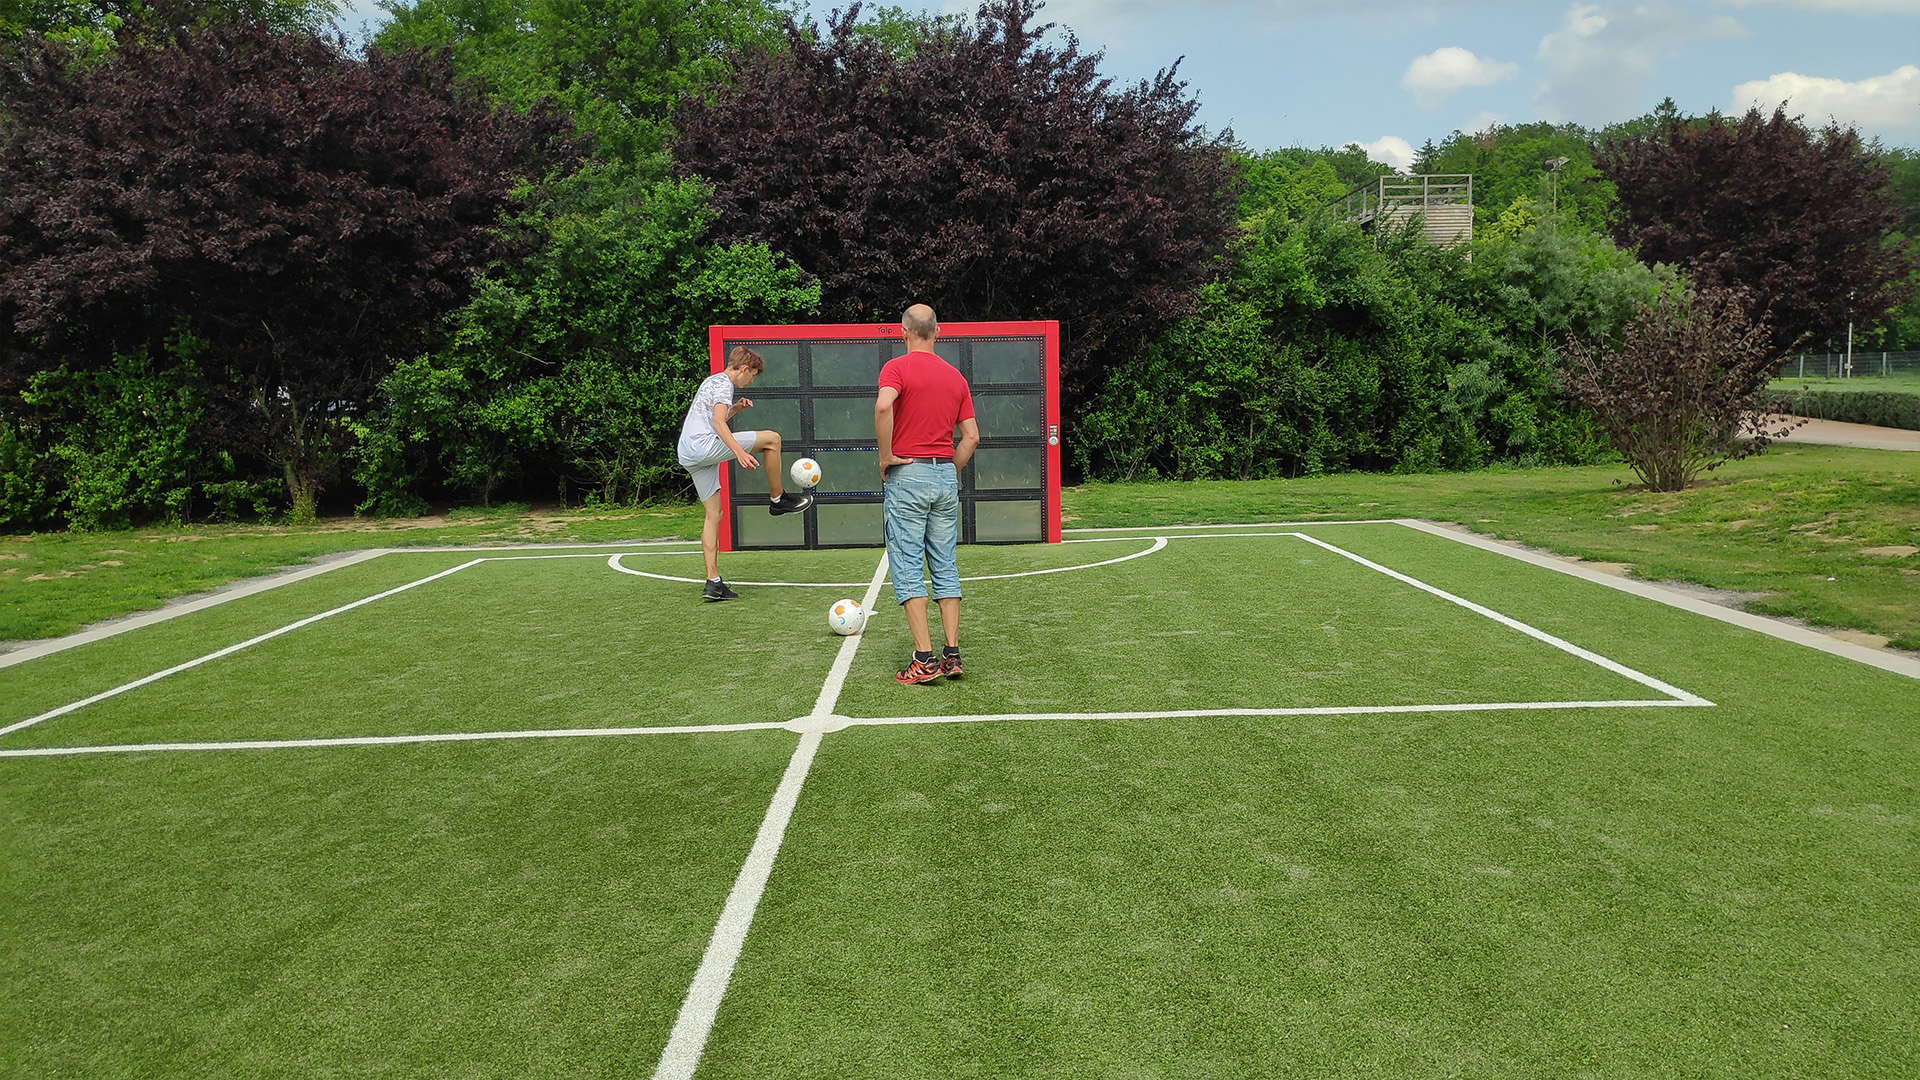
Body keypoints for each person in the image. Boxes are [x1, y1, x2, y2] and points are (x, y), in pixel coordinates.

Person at [876, 304, 979, 684]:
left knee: (907, 567)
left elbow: (884, 404)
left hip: (908, 475)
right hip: (943, 477)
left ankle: (924, 658)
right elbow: (971, 437)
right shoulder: (956, 378)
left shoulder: (896, 368)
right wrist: (950, 468)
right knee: (944, 563)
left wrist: (886, 455)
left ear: (903, 332)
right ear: (938, 331)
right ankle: (952, 655)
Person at [678, 345, 813, 601]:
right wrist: (739, 453)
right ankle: (778, 500)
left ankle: (713, 582)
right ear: (743, 368)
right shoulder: (724, 385)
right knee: (772, 440)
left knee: (713, 514)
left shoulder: (712, 381)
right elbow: (718, 424)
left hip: (688, 452)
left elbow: (712, 419)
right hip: (702, 446)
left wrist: (736, 409)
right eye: (752, 375)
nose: (751, 380)